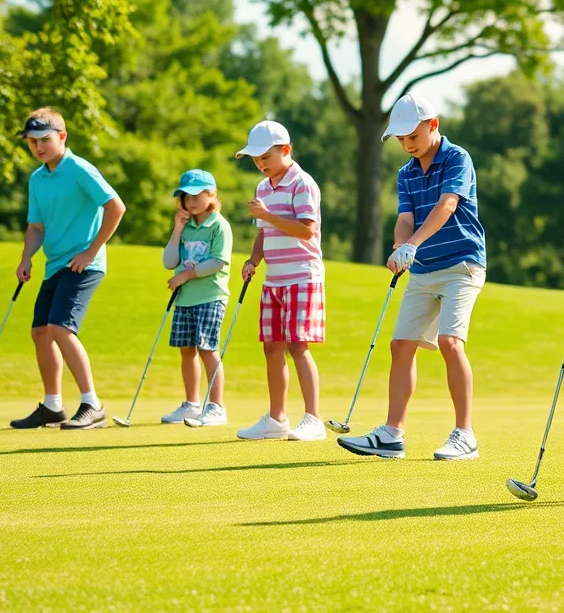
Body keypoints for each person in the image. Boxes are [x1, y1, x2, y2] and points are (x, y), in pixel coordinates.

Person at [337, 93, 486, 461]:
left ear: (433, 125)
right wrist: (399, 247)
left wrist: (413, 244)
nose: (406, 144)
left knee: (451, 342)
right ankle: (392, 434)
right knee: (400, 345)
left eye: (412, 136)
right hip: (423, 268)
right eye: (401, 139)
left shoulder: (457, 158)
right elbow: (405, 218)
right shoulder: (405, 173)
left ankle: (465, 434)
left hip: (461, 264)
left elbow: (447, 205)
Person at [11, 108, 126, 430]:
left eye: (45, 139)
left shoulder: (79, 169)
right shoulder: (37, 178)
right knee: (40, 332)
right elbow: (36, 226)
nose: (38, 147)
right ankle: (52, 406)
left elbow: (115, 207)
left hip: (84, 265)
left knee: (61, 328)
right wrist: (26, 257)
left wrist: (91, 251)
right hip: (54, 265)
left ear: (62, 137)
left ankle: (93, 404)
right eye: (32, 142)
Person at [233, 121, 327, 441]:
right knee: (272, 347)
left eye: (265, 156)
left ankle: (313, 419)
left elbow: (305, 230)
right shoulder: (262, 188)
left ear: (285, 150)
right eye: (255, 159)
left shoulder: (303, 183)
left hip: (303, 274)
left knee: (298, 345)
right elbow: (263, 232)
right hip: (274, 279)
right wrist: (252, 260)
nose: (260, 163)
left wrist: (269, 215)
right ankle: (277, 418)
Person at [160, 169, 233, 426]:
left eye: (195, 195)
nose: (189, 201)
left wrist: (187, 275)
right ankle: (192, 404)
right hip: (186, 298)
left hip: (210, 296)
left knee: (207, 350)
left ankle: (216, 407)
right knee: (186, 351)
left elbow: (218, 262)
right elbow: (170, 262)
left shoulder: (219, 225)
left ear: (210, 194)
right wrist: (177, 230)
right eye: (184, 196)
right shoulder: (187, 226)